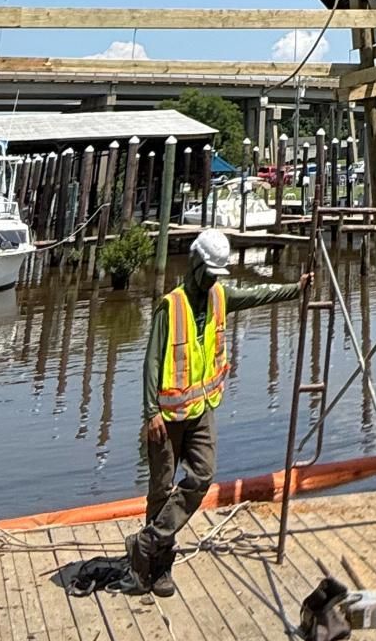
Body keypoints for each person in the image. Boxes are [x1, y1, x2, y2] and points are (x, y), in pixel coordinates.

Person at [126, 229, 303, 594]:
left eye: (215, 274)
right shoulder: (170, 306)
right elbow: (151, 361)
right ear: (193, 263)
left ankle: (148, 540)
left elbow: (257, 294)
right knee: (160, 488)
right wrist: (150, 412)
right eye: (207, 271)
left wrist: (296, 288)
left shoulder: (220, 296)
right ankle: (156, 568)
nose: (211, 279)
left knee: (203, 474)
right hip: (168, 415)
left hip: (202, 408)